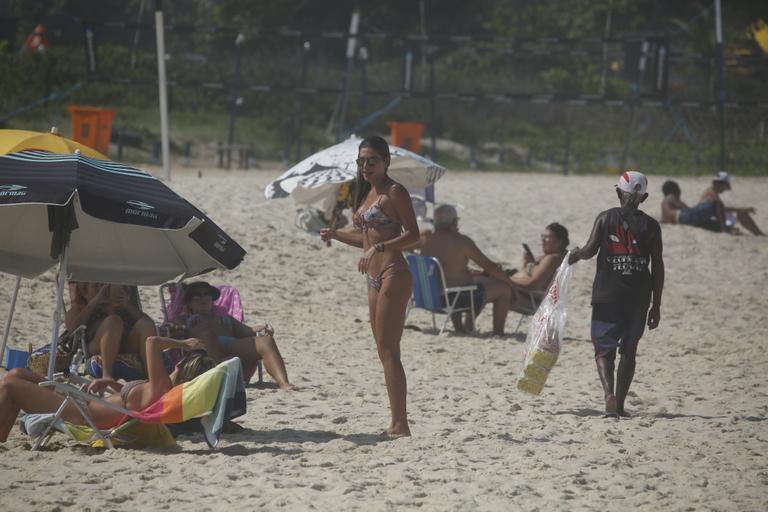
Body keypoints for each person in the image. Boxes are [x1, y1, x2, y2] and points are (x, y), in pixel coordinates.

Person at [320, 135, 419, 438]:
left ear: (386, 161)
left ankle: (400, 425)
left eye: (371, 160)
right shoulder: (366, 194)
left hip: (393, 272)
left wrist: (380, 249)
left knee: (390, 349)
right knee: (382, 350)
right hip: (373, 278)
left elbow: (415, 236)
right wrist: (336, 234)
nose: (365, 166)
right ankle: (396, 421)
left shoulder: (394, 192)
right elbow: (365, 242)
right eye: (361, 161)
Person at [568, 171, 664, 418]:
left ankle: (608, 394)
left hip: (607, 294)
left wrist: (575, 254)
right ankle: (620, 405)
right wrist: (657, 305)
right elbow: (658, 267)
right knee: (629, 351)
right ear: (644, 198)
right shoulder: (652, 226)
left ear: (618, 192)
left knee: (603, 349)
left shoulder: (605, 217)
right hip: (639, 296)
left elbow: (589, 251)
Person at [0, 336, 214, 442]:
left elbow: (151, 341)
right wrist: (112, 385)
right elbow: (132, 403)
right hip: (84, 403)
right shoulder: (161, 390)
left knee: (10, 385)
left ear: (181, 367)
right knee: (17, 373)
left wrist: (184, 344)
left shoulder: (162, 386)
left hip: (82, 414)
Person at [178, 281, 294, 390]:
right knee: (206, 334)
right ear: (189, 302)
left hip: (230, 345)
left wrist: (264, 327)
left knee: (266, 341)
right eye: (197, 295)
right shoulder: (185, 320)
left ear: (212, 299)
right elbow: (176, 332)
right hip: (206, 350)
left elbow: (247, 331)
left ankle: (284, 384)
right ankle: (216, 377)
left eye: (206, 294)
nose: (202, 298)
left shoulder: (224, 318)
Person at [417, 204, 514, 335]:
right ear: (453, 222)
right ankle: (498, 333)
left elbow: (447, 270)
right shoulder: (462, 241)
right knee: (503, 289)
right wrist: (510, 282)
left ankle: (460, 327)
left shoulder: (426, 241)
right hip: (453, 299)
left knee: (471, 281)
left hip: (430, 298)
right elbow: (489, 265)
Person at [65, 282, 156, 382]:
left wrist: (127, 305)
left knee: (145, 323)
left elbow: (149, 325)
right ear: (84, 292)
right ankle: (107, 375)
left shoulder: (120, 306)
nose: (102, 291)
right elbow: (72, 330)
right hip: (94, 346)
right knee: (113, 321)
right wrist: (94, 303)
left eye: (105, 286)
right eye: (96, 286)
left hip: (124, 345)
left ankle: (151, 377)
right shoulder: (78, 308)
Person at [508, 222, 570, 310]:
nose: (543, 240)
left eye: (547, 237)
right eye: (542, 237)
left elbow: (533, 284)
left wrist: (505, 278)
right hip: (525, 295)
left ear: (559, 241)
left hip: (530, 301)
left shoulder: (552, 258)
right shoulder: (554, 258)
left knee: (492, 287)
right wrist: (528, 264)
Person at [699, 172, 764, 235]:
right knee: (741, 213)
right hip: (710, 220)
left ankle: (758, 233)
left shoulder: (710, 191)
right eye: (725, 186)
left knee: (740, 212)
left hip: (711, 218)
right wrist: (725, 229)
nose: (725, 189)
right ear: (720, 184)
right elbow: (719, 210)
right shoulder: (712, 195)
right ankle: (758, 233)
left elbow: (718, 209)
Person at [660, 180, 725, 232]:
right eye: (678, 189)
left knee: (705, 223)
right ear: (673, 190)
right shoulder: (670, 196)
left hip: (681, 221)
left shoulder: (664, 203)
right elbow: (686, 208)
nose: (680, 191)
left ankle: (719, 226)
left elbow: (664, 220)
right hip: (682, 216)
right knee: (714, 204)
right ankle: (722, 227)